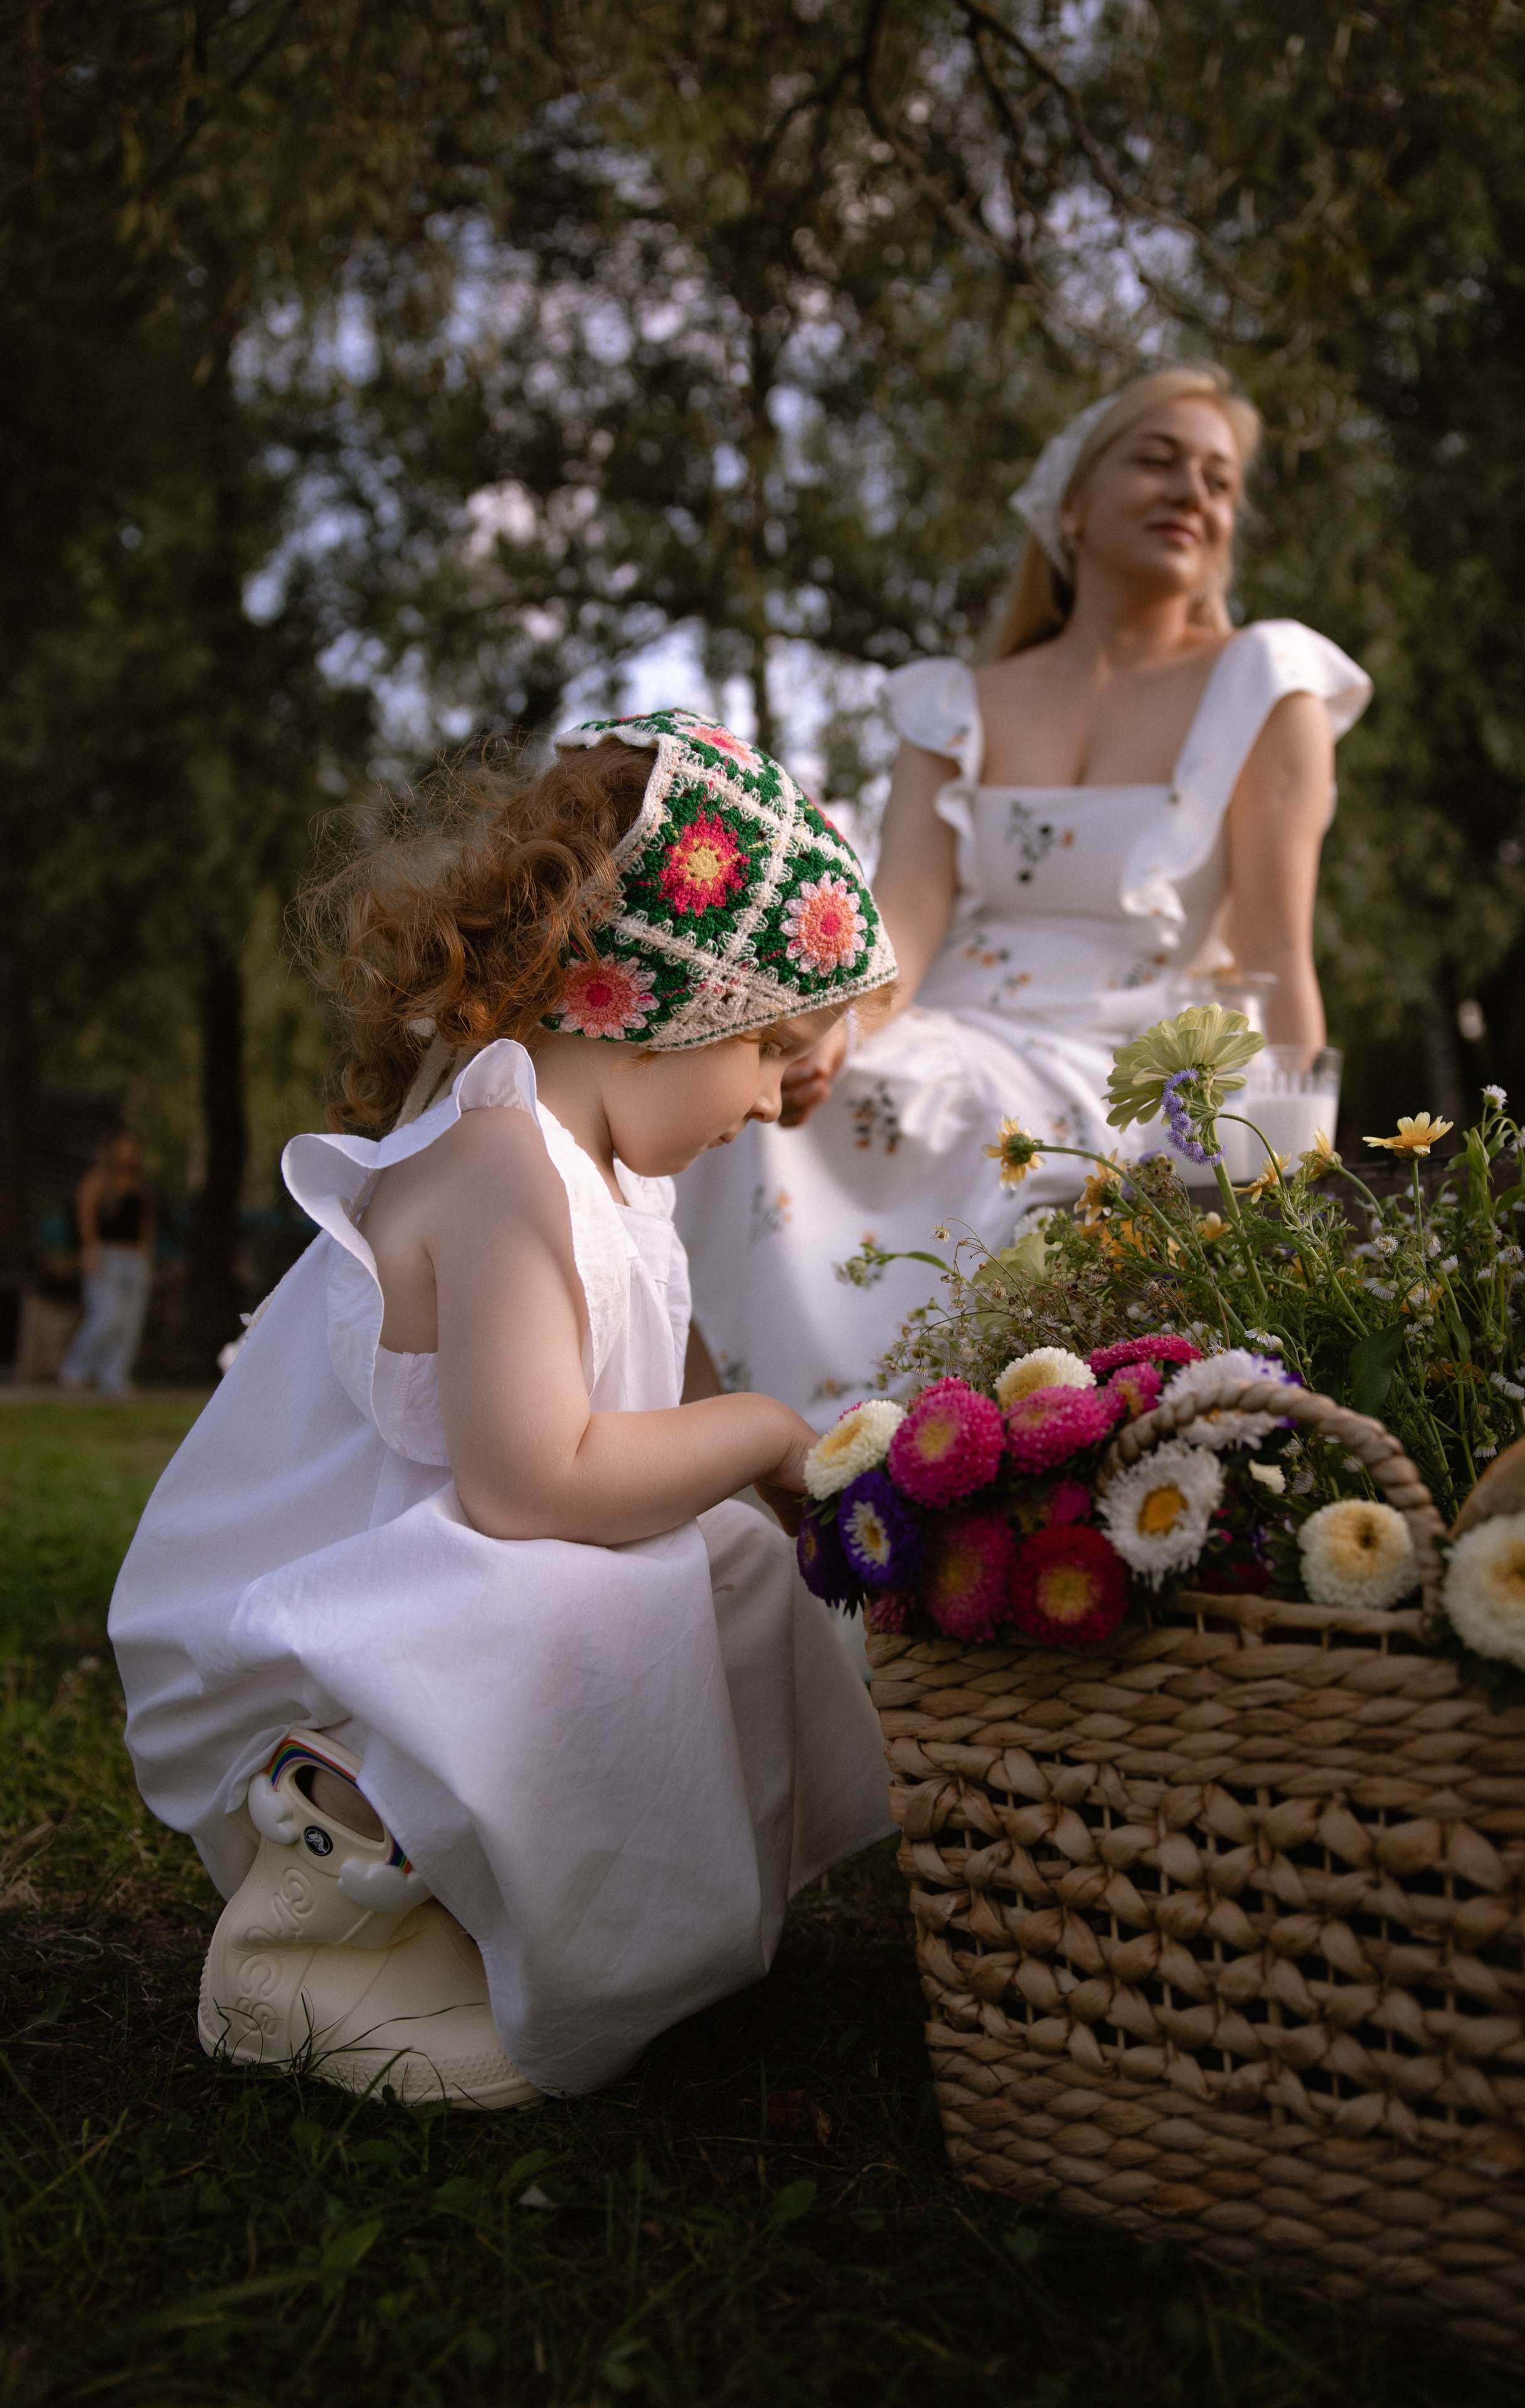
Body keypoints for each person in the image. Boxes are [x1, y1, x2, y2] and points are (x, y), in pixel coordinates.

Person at [107, 708, 898, 2108]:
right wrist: (770, 1435)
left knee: (724, 1572)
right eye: (773, 1050)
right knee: (596, 1597)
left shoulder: (607, 1184)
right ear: (666, 1001)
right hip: (335, 1631)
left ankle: (543, 1923)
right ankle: (317, 1919)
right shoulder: (501, 1162)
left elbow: (665, 1404)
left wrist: (776, 1478)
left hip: (435, 1597)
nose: (780, 1104)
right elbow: (533, 1483)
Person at [674, 363, 1373, 1425]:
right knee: (757, 1093)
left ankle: (910, 1466)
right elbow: (900, 917)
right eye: (1157, 459)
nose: (1194, 491)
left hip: (1148, 1053)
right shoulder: (953, 703)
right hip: (958, 1018)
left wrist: (1299, 1172)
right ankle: (755, 1472)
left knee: (975, 1127)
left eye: (1220, 480)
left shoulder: (1266, 680)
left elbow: (1280, 944)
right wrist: (823, 1030)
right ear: (1071, 506)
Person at [60, 1129, 156, 1397]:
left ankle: (114, 1377)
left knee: (130, 1322)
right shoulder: (99, 1179)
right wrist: (90, 1250)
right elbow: (85, 1213)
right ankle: (75, 1370)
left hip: (134, 1258)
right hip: (106, 1254)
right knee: (106, 1315)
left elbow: (146, 1221)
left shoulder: (141, 1184)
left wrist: (146, 1254)